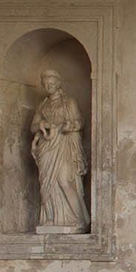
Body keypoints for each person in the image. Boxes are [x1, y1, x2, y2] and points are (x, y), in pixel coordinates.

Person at [31, 69, 89, 232]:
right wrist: (42, 125)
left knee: (64, 180)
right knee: (47, 183)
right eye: (46, 83)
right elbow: (32, 126)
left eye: (51, 83)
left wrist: (68, 126)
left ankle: (78, 219)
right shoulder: (43, 105)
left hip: (63, 145)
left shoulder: (69, 102)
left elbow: (80, 122)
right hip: (46, 147)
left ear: (58, 83)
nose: (48, 85)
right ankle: (50, 218)